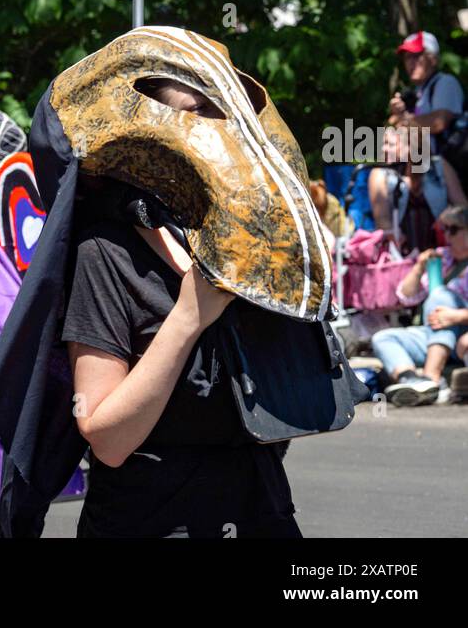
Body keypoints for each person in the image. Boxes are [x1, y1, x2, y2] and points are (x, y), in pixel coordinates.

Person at [62, 78, 301, 540]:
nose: (223, 125)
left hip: (264, 512)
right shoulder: (107, 252)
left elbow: (289, 411)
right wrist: (190, 314)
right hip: (150, 522)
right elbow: (107, 439)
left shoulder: (255, 246)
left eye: (227, 110)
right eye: (200, 110)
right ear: (154, 132)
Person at [368, 31, 466, 250]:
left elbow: (439, 122)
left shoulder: (445, 83)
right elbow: (396, 132)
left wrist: (404, 119)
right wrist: (397, 119)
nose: (410, 62)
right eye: (406, 57)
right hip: (415, 170)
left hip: (443, 174)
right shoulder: (415, 93)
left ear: (433, 58)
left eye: (416, 56)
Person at [371, 204, 468, 406]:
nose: (447, 236)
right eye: (445, 229)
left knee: (440, 295)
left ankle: (431, 378)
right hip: (436, 333)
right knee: (383, 338)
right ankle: (410, 379)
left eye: (453, 229)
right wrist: (418, 268)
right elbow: (406, 297)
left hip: (462, 334)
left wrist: (457, 317)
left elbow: (442, 304)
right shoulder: (443, 257)